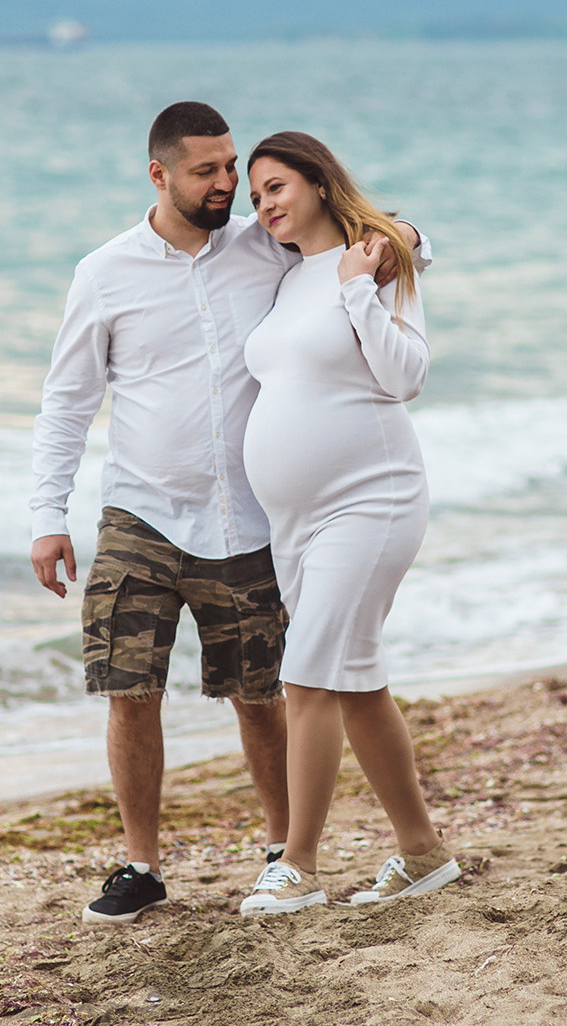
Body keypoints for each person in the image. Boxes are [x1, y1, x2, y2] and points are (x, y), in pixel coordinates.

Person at [29, 102, 428, 924]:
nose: (226, 187)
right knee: (128, 688)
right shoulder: (103, 272)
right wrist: (47, 512)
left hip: (248, 519)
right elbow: (66, 401)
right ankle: (141, 863)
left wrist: (411, 237)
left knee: (262, 692)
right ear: (159, 174)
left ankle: (286, 850)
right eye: (207, 172)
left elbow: (372, 238)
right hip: (140, 509)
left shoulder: (264, 245)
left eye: (232, 168)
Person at [235, 131, 458, 916]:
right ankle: (423, 853)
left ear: (319, 182)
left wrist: (362, 286)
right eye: (255, 194)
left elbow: (408, 377)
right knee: (356, 683)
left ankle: (296, 863)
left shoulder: (379, 256)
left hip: (374, 497)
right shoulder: (287, 277)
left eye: (276, 186)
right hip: (295, 521)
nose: (264, 205)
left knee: (306, 674)